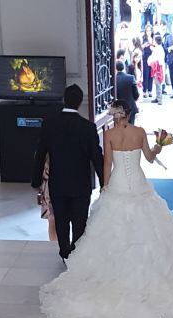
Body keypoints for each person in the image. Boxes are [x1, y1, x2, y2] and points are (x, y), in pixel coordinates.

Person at [39, 100, 173, 318]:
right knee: (146, 231)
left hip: (118, 185)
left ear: (117, 114)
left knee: (112, 231)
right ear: (130, 113)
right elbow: (150, 158)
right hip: (139, 184)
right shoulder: (140, 132)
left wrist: (105, 187)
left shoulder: (110, 134)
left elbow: (107, 164)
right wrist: (158, 147)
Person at [31, 85, 104, 262]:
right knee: (80, 222)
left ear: (64, 99)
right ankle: (76, 255)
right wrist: (104, 182)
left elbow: (40, 153)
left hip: (58, 182)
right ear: (80, 103)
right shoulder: (87, 128)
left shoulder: (50, 124)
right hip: (80, 184)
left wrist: (36, 181)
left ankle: (65, 253)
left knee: (61, 221)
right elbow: (97, 158)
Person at [114, 59, 139, 124]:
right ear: (124, 67)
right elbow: (136, 93)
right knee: (131, 128)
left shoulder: (113, 79)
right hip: (130, 106)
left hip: (118, 108)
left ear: (115, 68)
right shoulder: (130, 77)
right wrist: (135, 98)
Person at [148, 32, 165, 105]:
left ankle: (160, 99)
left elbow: (157, 59)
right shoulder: (157, 48)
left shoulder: (159, 49)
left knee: (158, 83)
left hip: (158, 68)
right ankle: (157, 97)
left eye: (154, 40)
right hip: (155, 67)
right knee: (156, 83)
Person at [141, 28, 153, 98]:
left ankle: (150, 90)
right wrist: (144, 45)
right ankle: (144, 91)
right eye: (147, 31)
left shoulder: (153, 38)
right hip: (145, 58)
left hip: (152, 58)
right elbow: (140, 47)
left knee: (151, 75)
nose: (149, 32)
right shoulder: (143, 38)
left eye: (150, 30)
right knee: (145, 74)